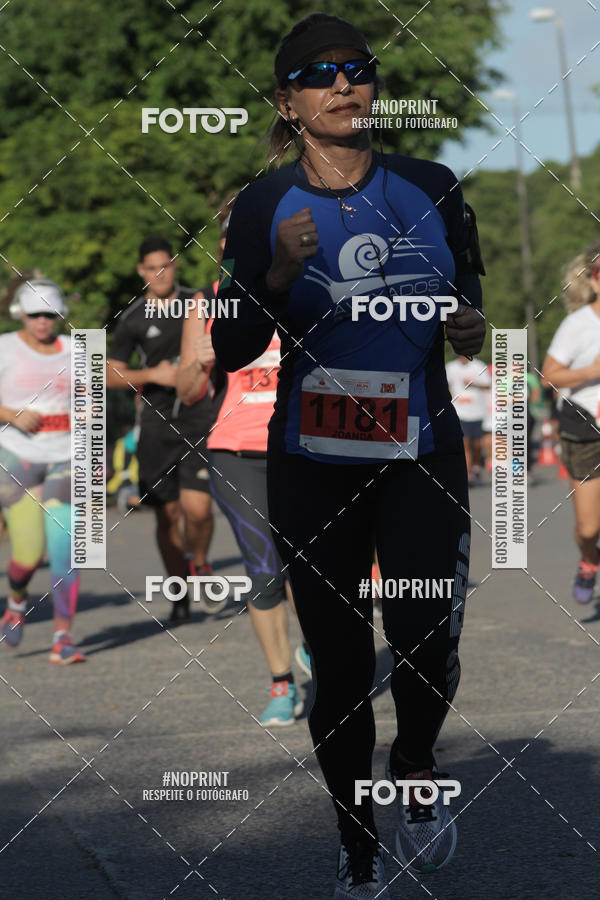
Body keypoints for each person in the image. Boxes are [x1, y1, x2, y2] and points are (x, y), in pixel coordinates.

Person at [211, 14, 486, 897]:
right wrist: (277, 276)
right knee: (338, 664)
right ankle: (356, 842)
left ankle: (413, 763)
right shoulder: (262, 206)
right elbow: (229, 347)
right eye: (319, 74)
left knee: (425, 640)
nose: (343, 83)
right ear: (287, 102)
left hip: (421, 449)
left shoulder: (432, 185)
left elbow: (469, 299)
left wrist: (471, 326)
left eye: (358, 69)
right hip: (313, 458)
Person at [177, 200, 309, 725]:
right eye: (232, 237)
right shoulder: (208, 302)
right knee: (263, 570)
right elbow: (188, 392)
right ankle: (281, 683)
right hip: (236, 451)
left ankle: (317, 647)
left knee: (313, 568)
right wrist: (200, 358)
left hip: (302, 445)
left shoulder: (307, 288)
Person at [106, 236, 224, 622]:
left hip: (200, 416)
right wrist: (153, 375)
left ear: (175, 265)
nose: (160, 273)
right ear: (141, 272)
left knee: (199, 509)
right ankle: (179, 591)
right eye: (152, 267)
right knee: (167, 513)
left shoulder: (200, 301)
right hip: (156, 423)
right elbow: (109, 373)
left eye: (166, 265)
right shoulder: (133, 317)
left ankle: (201, 565)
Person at [0, 272, 84, 663]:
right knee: (29, 553)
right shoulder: (5, 347)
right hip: (15, 455)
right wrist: (11, 415)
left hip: (65, 455)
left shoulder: (76, 350)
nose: (42, 322)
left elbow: (92, 400)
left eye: (50, 314)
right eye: (35, 314)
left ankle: (63, 636)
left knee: (65, 548)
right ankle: (16, 602)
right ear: (21, 313)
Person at [541, 244, 600, 604]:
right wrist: (592, 370)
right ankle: (590, 559)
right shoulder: (578, 325)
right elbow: (549, 375)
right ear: (594, 280)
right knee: (589, 528)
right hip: (584, 426)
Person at [445, 355, 491, 483]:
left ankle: (476, 467)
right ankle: (468, 474)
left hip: (477, 412)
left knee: (476, 445)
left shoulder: (479, 366)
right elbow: (445, 383)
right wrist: (449, 394)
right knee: (465, 443)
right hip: (459, 412)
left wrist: (473, 384)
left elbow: (488, 385)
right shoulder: (451, 367)